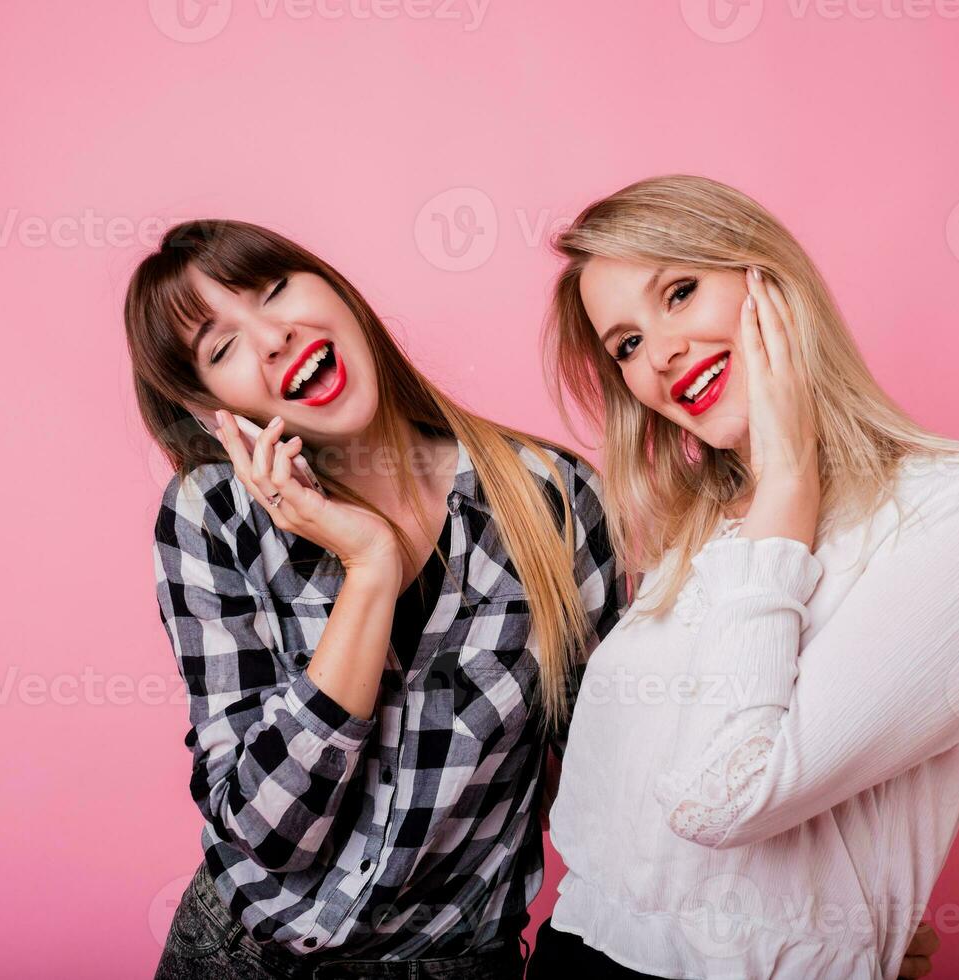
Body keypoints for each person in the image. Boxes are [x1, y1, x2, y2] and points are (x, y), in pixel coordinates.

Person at [531, 175, 959, 979]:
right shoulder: (695, 534)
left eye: (679, 291)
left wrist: (787, 485)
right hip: (579, 954)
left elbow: (724, 801)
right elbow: (628, 817)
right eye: (628, 345)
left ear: (768, 279)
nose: (661, 354)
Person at [129, 219, 624, 978]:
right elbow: (270, 833)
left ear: (336, 289)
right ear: (212, 408)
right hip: (245, 960)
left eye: (275, 291)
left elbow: (603, 778)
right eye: (222, 348)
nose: (271, 338)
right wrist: (369, 566)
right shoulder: (211, 515)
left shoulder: (549, 497)